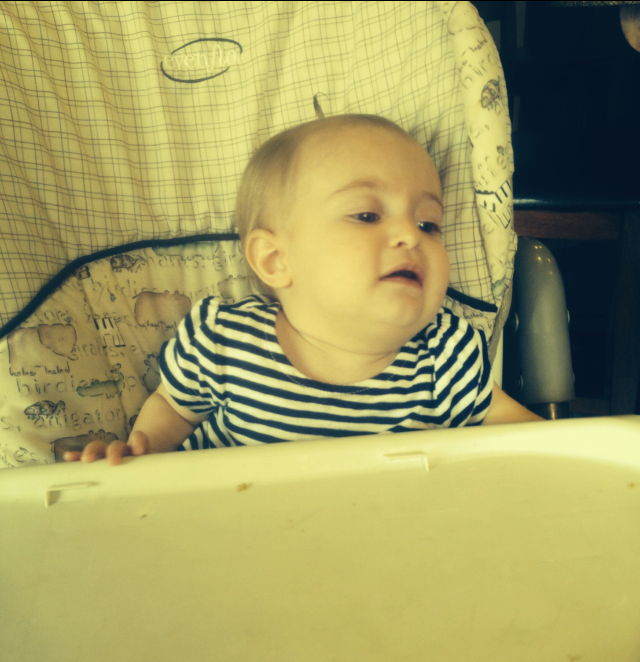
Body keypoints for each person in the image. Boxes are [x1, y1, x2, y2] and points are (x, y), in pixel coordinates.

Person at [64, 114, 542, 465]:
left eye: (428, 223)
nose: (409, 235)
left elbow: (529, 442)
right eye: (367, 215)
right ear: (276, 260)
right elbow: (173, 408)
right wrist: (140, 454)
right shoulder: (224, 342)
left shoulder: (445, 358)